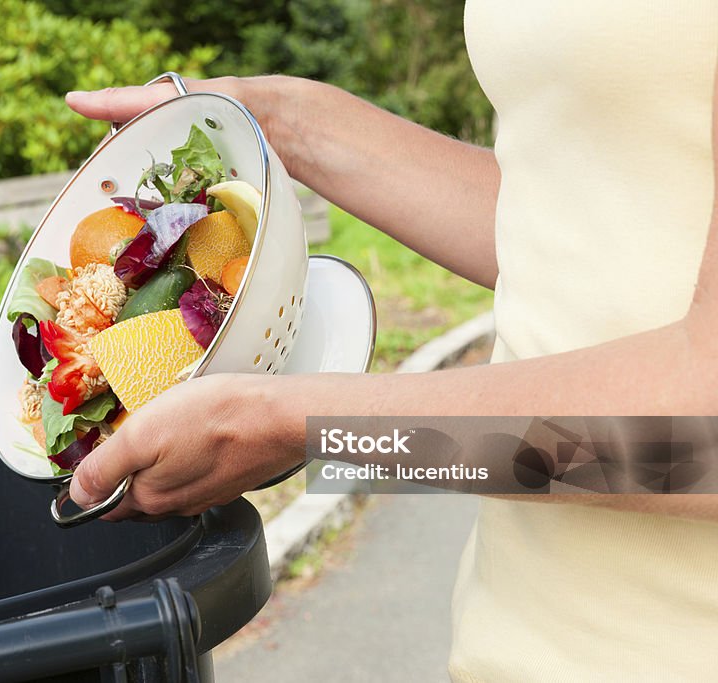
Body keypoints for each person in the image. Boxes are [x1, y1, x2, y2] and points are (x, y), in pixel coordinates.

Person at [65, 3, 718, 680]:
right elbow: (567, 223)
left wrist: (300, 424)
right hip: (513, 633)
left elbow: (702, 432)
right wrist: (270, 118)